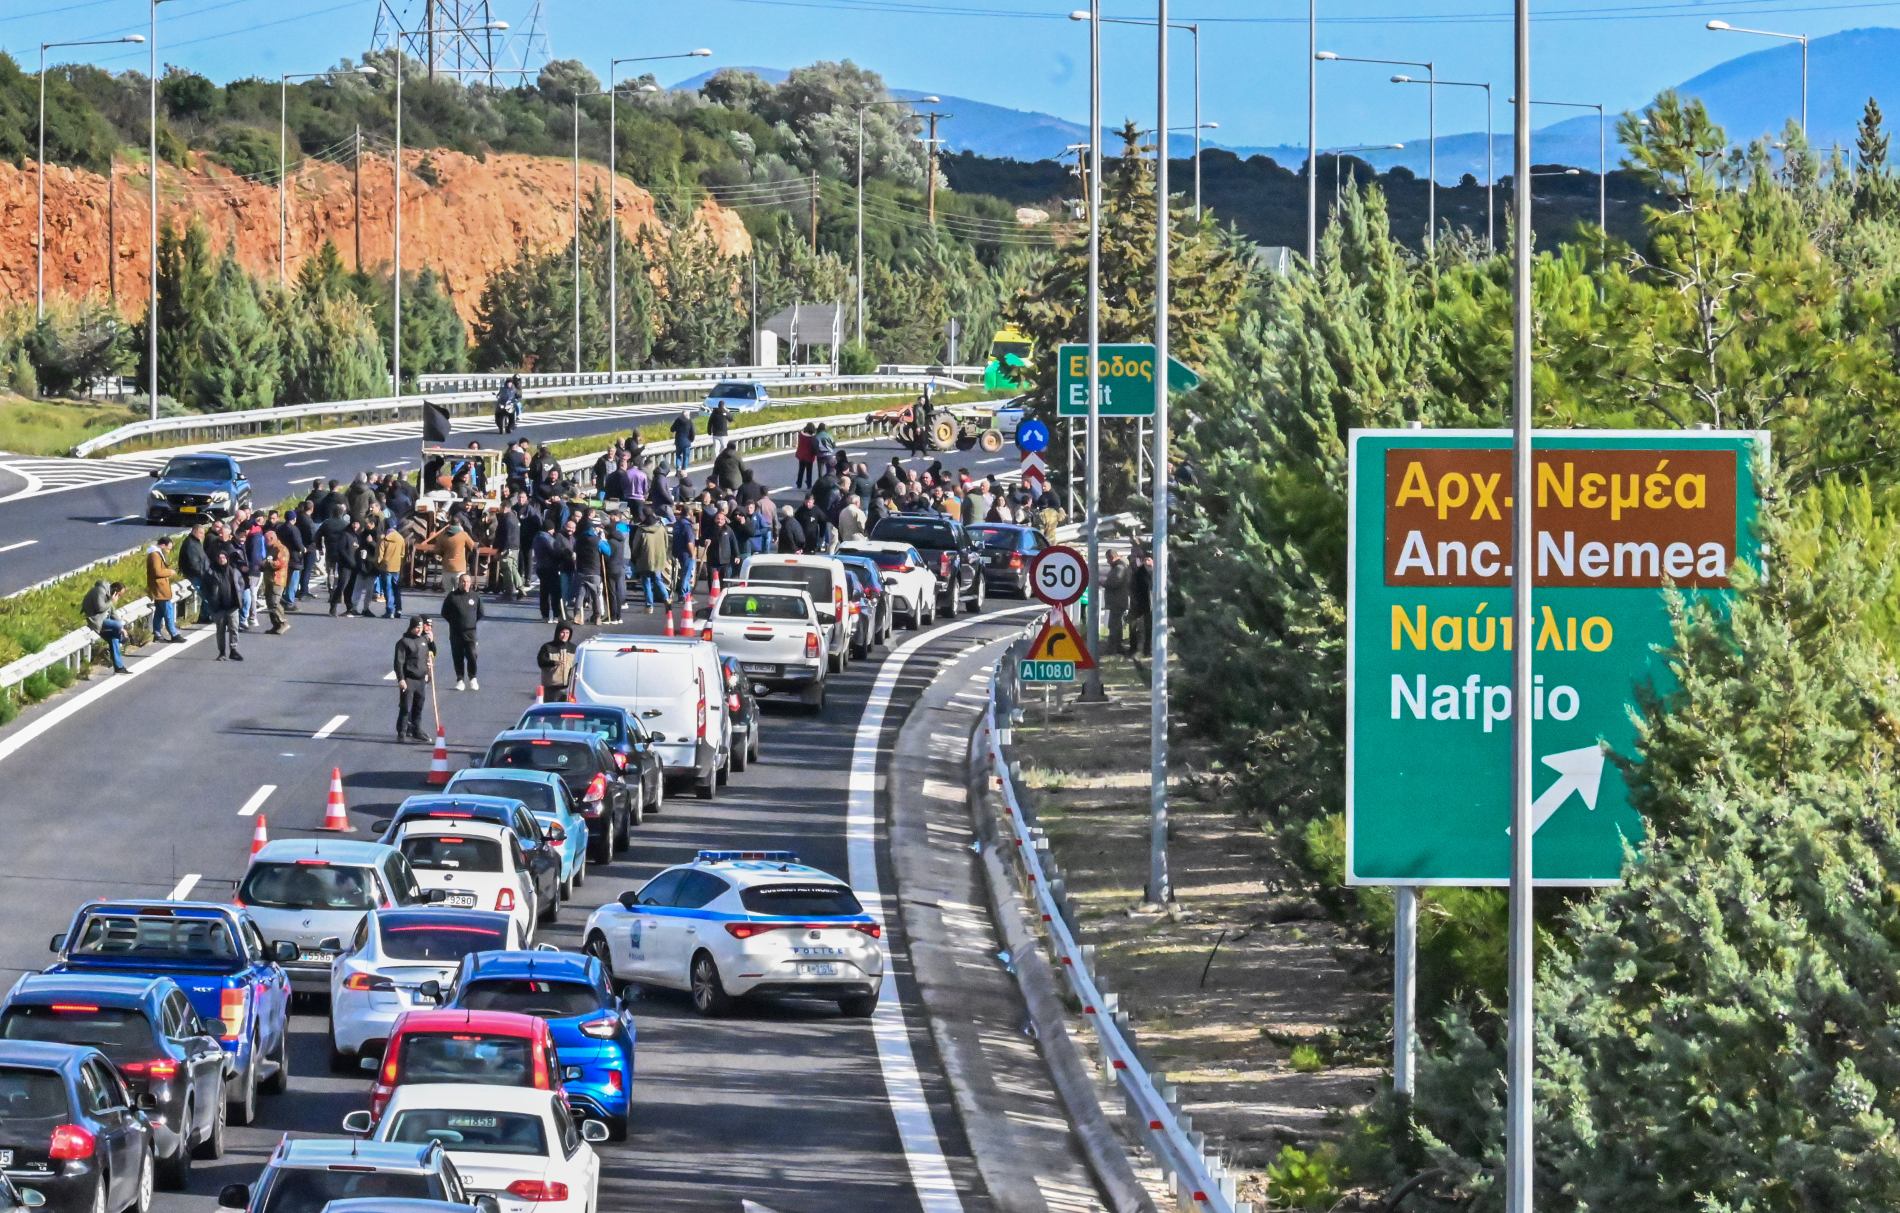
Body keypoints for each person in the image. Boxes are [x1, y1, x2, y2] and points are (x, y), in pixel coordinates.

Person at [392, 616, 435, 740]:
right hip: (409, 679)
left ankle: (417, 730)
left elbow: (427, 657)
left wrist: (428, 673)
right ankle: (402, 731)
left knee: (419, 706)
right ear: (411, 627)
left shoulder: (423, 641)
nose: (419, 630)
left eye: (420, 627)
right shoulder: (403, 642)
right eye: (417, 627)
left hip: (421, 680)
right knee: (406, 707)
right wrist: (401, 679)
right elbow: (398, 662)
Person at [440, 573, 484, 691]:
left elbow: (480, 613)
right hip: (456, 633)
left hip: (470, 633)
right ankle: (460, 679)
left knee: (472, 655)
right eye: (463, 581)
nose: (465, 584)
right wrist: (454, 623)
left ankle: (472, 678)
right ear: (459, 582)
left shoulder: (475, 596)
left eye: (468, 581)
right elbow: (444, 613)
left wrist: (471, 623)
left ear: (471, 583)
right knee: (457, 656)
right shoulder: (452, 597)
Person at [81, 580, 131, 674]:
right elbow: (99, 608)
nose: (119, 597)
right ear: (115, 591)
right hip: (96, 620)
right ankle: (122, 639)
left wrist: (122, 628)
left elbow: (113, 613)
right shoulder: (100, 591)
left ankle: (119, 667)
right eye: (119, 595)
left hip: (104, 621)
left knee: (114, 638)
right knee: (118, 626)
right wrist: (111, 601)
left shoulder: (109, 595)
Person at [205, 550, 246, 661]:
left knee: (234, 628)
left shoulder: (234, 571)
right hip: (219, 607)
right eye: (219, 557)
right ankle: (222, 652)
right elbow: (205, 588)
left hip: (233, 606)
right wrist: (210, 599)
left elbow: (241, 583)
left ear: (227, 558)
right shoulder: (211, 572)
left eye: (224, 557)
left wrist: (239, 595)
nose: (222, 559)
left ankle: (233, 650)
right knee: (220, 630)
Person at [145, 537, 185, 643]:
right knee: (168, 611)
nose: (169, 551)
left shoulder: (157, 554)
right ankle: (174, 633)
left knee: (159, 612)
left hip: (160, 588)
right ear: (162, 545)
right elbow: (157, 572)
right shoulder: (155, 555)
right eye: (168, 548)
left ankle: (157, 633)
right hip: (160, 588)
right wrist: (169, 572)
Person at [635, 510, 672, 610]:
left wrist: (635, 557)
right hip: (659, 558)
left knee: (646, 581)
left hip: (644, 559)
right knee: (658, 579)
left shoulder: (641, 530)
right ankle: (667, 598)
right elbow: (666, 544)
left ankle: (649, 605)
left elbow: (636, 546)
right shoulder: (661, 528)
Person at [178, 523, 211, 624]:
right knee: (206, 596)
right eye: (201, 533)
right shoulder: (190, 544)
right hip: (195, 575)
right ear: (194, 531)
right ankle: (204, 617)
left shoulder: (196, 542)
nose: (203, 535)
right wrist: (203, 574)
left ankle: (204, 616)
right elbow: (194, 564)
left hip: (200, 574)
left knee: (207, 596)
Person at [537, 621, 578, 703]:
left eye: (567, 633)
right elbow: (541, 661)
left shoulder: (574, 648)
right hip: (551, 689)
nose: (565, 635)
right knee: (550, 714)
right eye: (562, 632)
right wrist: (554, 662)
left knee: (567, 714)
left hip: (568, 689)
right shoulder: (547, 647)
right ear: (557, 633)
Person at [262, 528, 291, 634]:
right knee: (269, 603)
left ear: (271, 538)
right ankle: (275, 624)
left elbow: (279, 563)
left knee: (274, 602)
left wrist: (268, 563)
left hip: (277, 579)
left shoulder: (281, 549)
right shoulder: (271, 548)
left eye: (266, 540)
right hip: (269, 579)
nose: (265, 542)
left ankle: (283, 622)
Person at [1102, 550, 1131, 655]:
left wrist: (1103, 582)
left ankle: (1114, 647)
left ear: (1112, 557)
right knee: (1115, 624)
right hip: (1117, 601)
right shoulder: (1118, 567)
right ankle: (1116, 646)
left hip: (1117, 601)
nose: (1107, 561)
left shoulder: (1119, 568)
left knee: (1114, 625)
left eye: (1108, 558)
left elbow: (1114, 582)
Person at [376, 524, 407, 619]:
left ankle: (389, 611)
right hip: (396, 567)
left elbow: (380, 555)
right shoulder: (401, 538)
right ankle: (398, 609)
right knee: (396, 589)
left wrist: (377, 565)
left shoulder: (384, 539)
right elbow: (402, 554)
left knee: (388, 589)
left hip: (386, 568)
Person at [1129, 552, 1153, 657]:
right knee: (1133, 626)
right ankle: (1133, 649)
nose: (1147, 562)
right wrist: (1135, 600)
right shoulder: (1138, 573)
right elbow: (1132, 587)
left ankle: (1147, 650)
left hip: (1152, 605)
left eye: (1149, 559)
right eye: (1145, 560)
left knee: (1149, 628)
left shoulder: (1158, 572)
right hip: (1139, 603)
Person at [794, 423, 818, 489]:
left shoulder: (801, 435)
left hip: (801, 455)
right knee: (809, 471)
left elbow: (801, 431)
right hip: (809, 456)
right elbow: (814, 447)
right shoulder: (813, 438)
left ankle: (799, 483)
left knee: (801, 470)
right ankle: (809, 484)